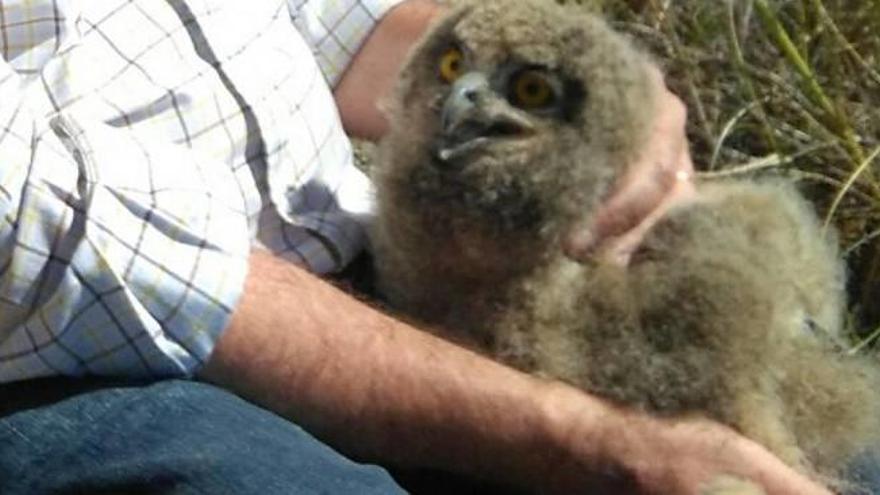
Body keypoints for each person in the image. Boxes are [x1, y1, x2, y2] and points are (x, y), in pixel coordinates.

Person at [0, 0, 833, 493]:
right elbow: (64, 237)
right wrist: (590, 439)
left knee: (814, 446)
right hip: (77, 356)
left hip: (360, 267)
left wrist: (595, 100)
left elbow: (332, 23)